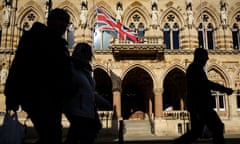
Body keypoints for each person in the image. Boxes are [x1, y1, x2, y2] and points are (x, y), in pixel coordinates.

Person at [4, 8, 72, 144]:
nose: (64, 25)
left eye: (66, 22)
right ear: (49, 21)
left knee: (52, 134)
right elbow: (19, 65)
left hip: (54, 99)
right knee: (52, 135)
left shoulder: (61, 45)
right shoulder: (34, 37)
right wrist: (11, 96)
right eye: (60, 20)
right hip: (37, 96)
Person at [173, 48, 233, 144]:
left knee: (196, 132)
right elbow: (206, 84)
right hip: (201, 106)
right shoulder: (195, 69)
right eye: (205, 56)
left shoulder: (195, 69)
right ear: (200, 57)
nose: (207, 59)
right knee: (217, 127)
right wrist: (224, 89)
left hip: (198, 106)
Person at [64, 43, 110, 144]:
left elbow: (90, 92)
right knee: (81, 137)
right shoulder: (70, 68)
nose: (83, 54)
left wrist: (103, 102)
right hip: (77, 112)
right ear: (76, 52)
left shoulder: (87, 71)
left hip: (88, 111)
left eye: (86, 52)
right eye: (81, 51)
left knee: (81, 137)